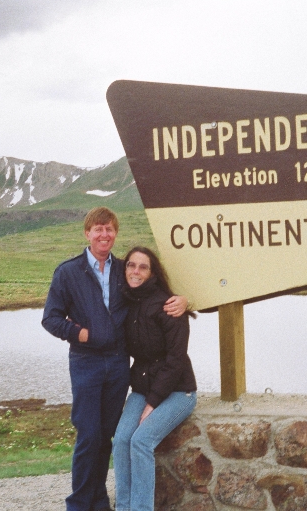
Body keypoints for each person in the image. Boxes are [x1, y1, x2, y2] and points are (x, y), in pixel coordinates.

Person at [42, 207, 187, 511]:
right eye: (98, 229)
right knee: (88, 434)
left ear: (115, 234)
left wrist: (184, 300)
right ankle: (80, 503)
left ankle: (99, 501)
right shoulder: (68, 272)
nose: (104, 235)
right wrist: (82, 334)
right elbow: (51, 319)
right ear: (87, 233)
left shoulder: (124, 270)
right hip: (86, 363)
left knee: (108, 434)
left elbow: (153, 292)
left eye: (109, 229)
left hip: (119, 365)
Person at [113, 246, 197, 511]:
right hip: (142, 388)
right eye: (131, 265)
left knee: (141, 441)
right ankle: (124, 507)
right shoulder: (126, 300)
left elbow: (175, 361)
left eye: (143, 267)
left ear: (152, 273)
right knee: (122, 439)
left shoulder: (170, 306)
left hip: (178, 391)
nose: (135, 271)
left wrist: (153, 402)